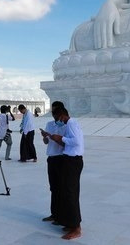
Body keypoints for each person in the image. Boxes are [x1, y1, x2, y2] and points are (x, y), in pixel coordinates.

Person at [48, 101, 84, 240]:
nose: (58, 122)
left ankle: (76, 227)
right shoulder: (70, 124)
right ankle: (70, 222)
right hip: (68, 160)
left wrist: (60, 138)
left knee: (71, 194)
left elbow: (76, 142)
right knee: (66, 192)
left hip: (73, 161)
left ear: (62, 116)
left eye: (58, 118)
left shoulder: (71, 124)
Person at [39, 105, 66, 224]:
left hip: (61, 159)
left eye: (56, 111)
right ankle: (54, 214)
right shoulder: (50, 124)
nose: (54, 114)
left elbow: (66, 143)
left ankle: (62, 215)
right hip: (51, 159)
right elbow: (46, 142)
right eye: (53, 111)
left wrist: (55, 138)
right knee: (53, 188)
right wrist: (45, 137)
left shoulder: (66, 125)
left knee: (61, 188)